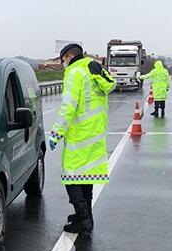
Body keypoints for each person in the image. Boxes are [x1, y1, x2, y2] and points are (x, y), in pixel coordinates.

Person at [48, 43, 116, 233]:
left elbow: (68, 106)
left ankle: (83, 219)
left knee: (71, 176)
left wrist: (56, 133)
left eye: (63, 60)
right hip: (96, 132)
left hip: (79, 133)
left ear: (69, 56)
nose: (63, 64)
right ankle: (86, 216)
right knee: (87, 176)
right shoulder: (94, 68)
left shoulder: (75, 72)